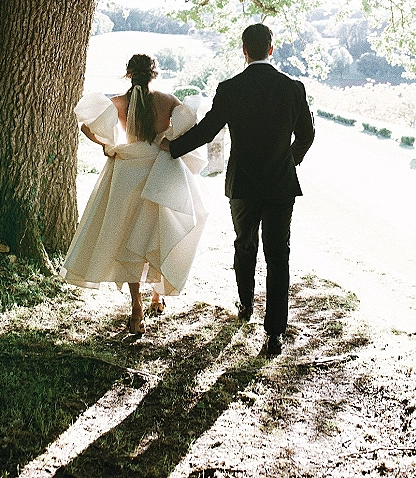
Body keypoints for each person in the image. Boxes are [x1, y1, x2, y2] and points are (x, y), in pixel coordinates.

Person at [162, 24, 314, 356]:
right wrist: (289, 161)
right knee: (278, 255)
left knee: (245, 246)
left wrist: (172, 147)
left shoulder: (230, 88)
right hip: (280, 185)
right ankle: (275, 332)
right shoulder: (293, 87)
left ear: (244, 50)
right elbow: (307, 135)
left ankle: (245, 306)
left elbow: (206, 130)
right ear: (271, 50)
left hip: (243, 183)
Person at [61, 54, 207, 335]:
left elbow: (86, 126)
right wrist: (168, 140)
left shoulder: (118, 102)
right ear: (155, 74)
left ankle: (137, 307)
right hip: (160, 171)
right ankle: (157, 295)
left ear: (128, 74)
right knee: (156, 233)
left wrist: (107, 144)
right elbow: (188, 122)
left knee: (130, 239)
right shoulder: (168, 101)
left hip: (128, 173)